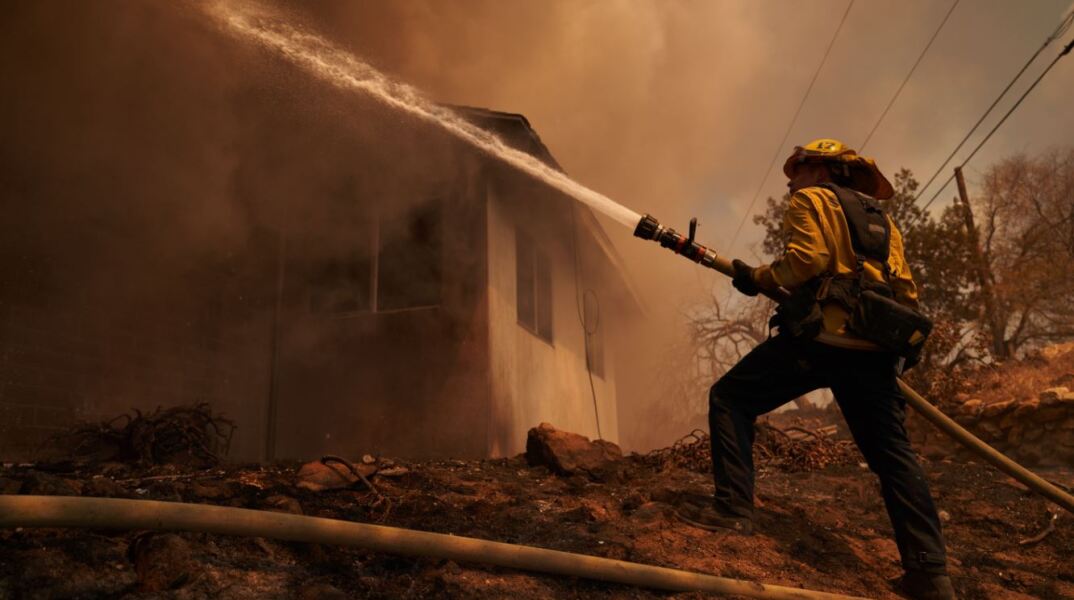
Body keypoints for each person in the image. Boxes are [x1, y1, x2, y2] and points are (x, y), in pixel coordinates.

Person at [675, 139, 955, 600]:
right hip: (874, 351)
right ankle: (930, 574)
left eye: (798, 171)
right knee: (893, 458)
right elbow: (906, 292)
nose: (790, 182)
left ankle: (732, 511)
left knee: (732, 398)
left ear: (822, 171)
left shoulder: (812, 200)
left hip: (822, 341)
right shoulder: (885, 221)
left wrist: (758, 277)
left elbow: (806, 261)